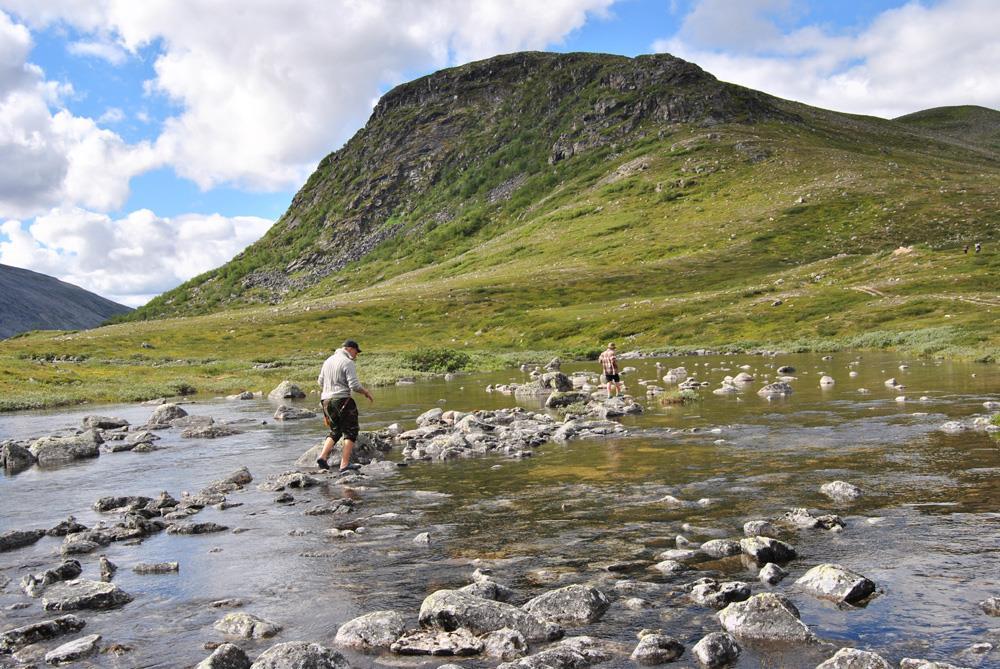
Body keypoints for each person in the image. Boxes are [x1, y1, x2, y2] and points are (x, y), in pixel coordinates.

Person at [316, 339, 374, 475]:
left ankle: (322, 457)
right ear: (349, 349)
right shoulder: (348, 362)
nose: (356, 355)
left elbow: (320, 382)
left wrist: (329, 390)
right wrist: (365, 392)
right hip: (343, 400)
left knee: (335, 430)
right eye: (356, 352)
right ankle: (344, 464)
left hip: (325, 401)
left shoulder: (328, 361)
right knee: (351, 431)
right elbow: (353, 385)